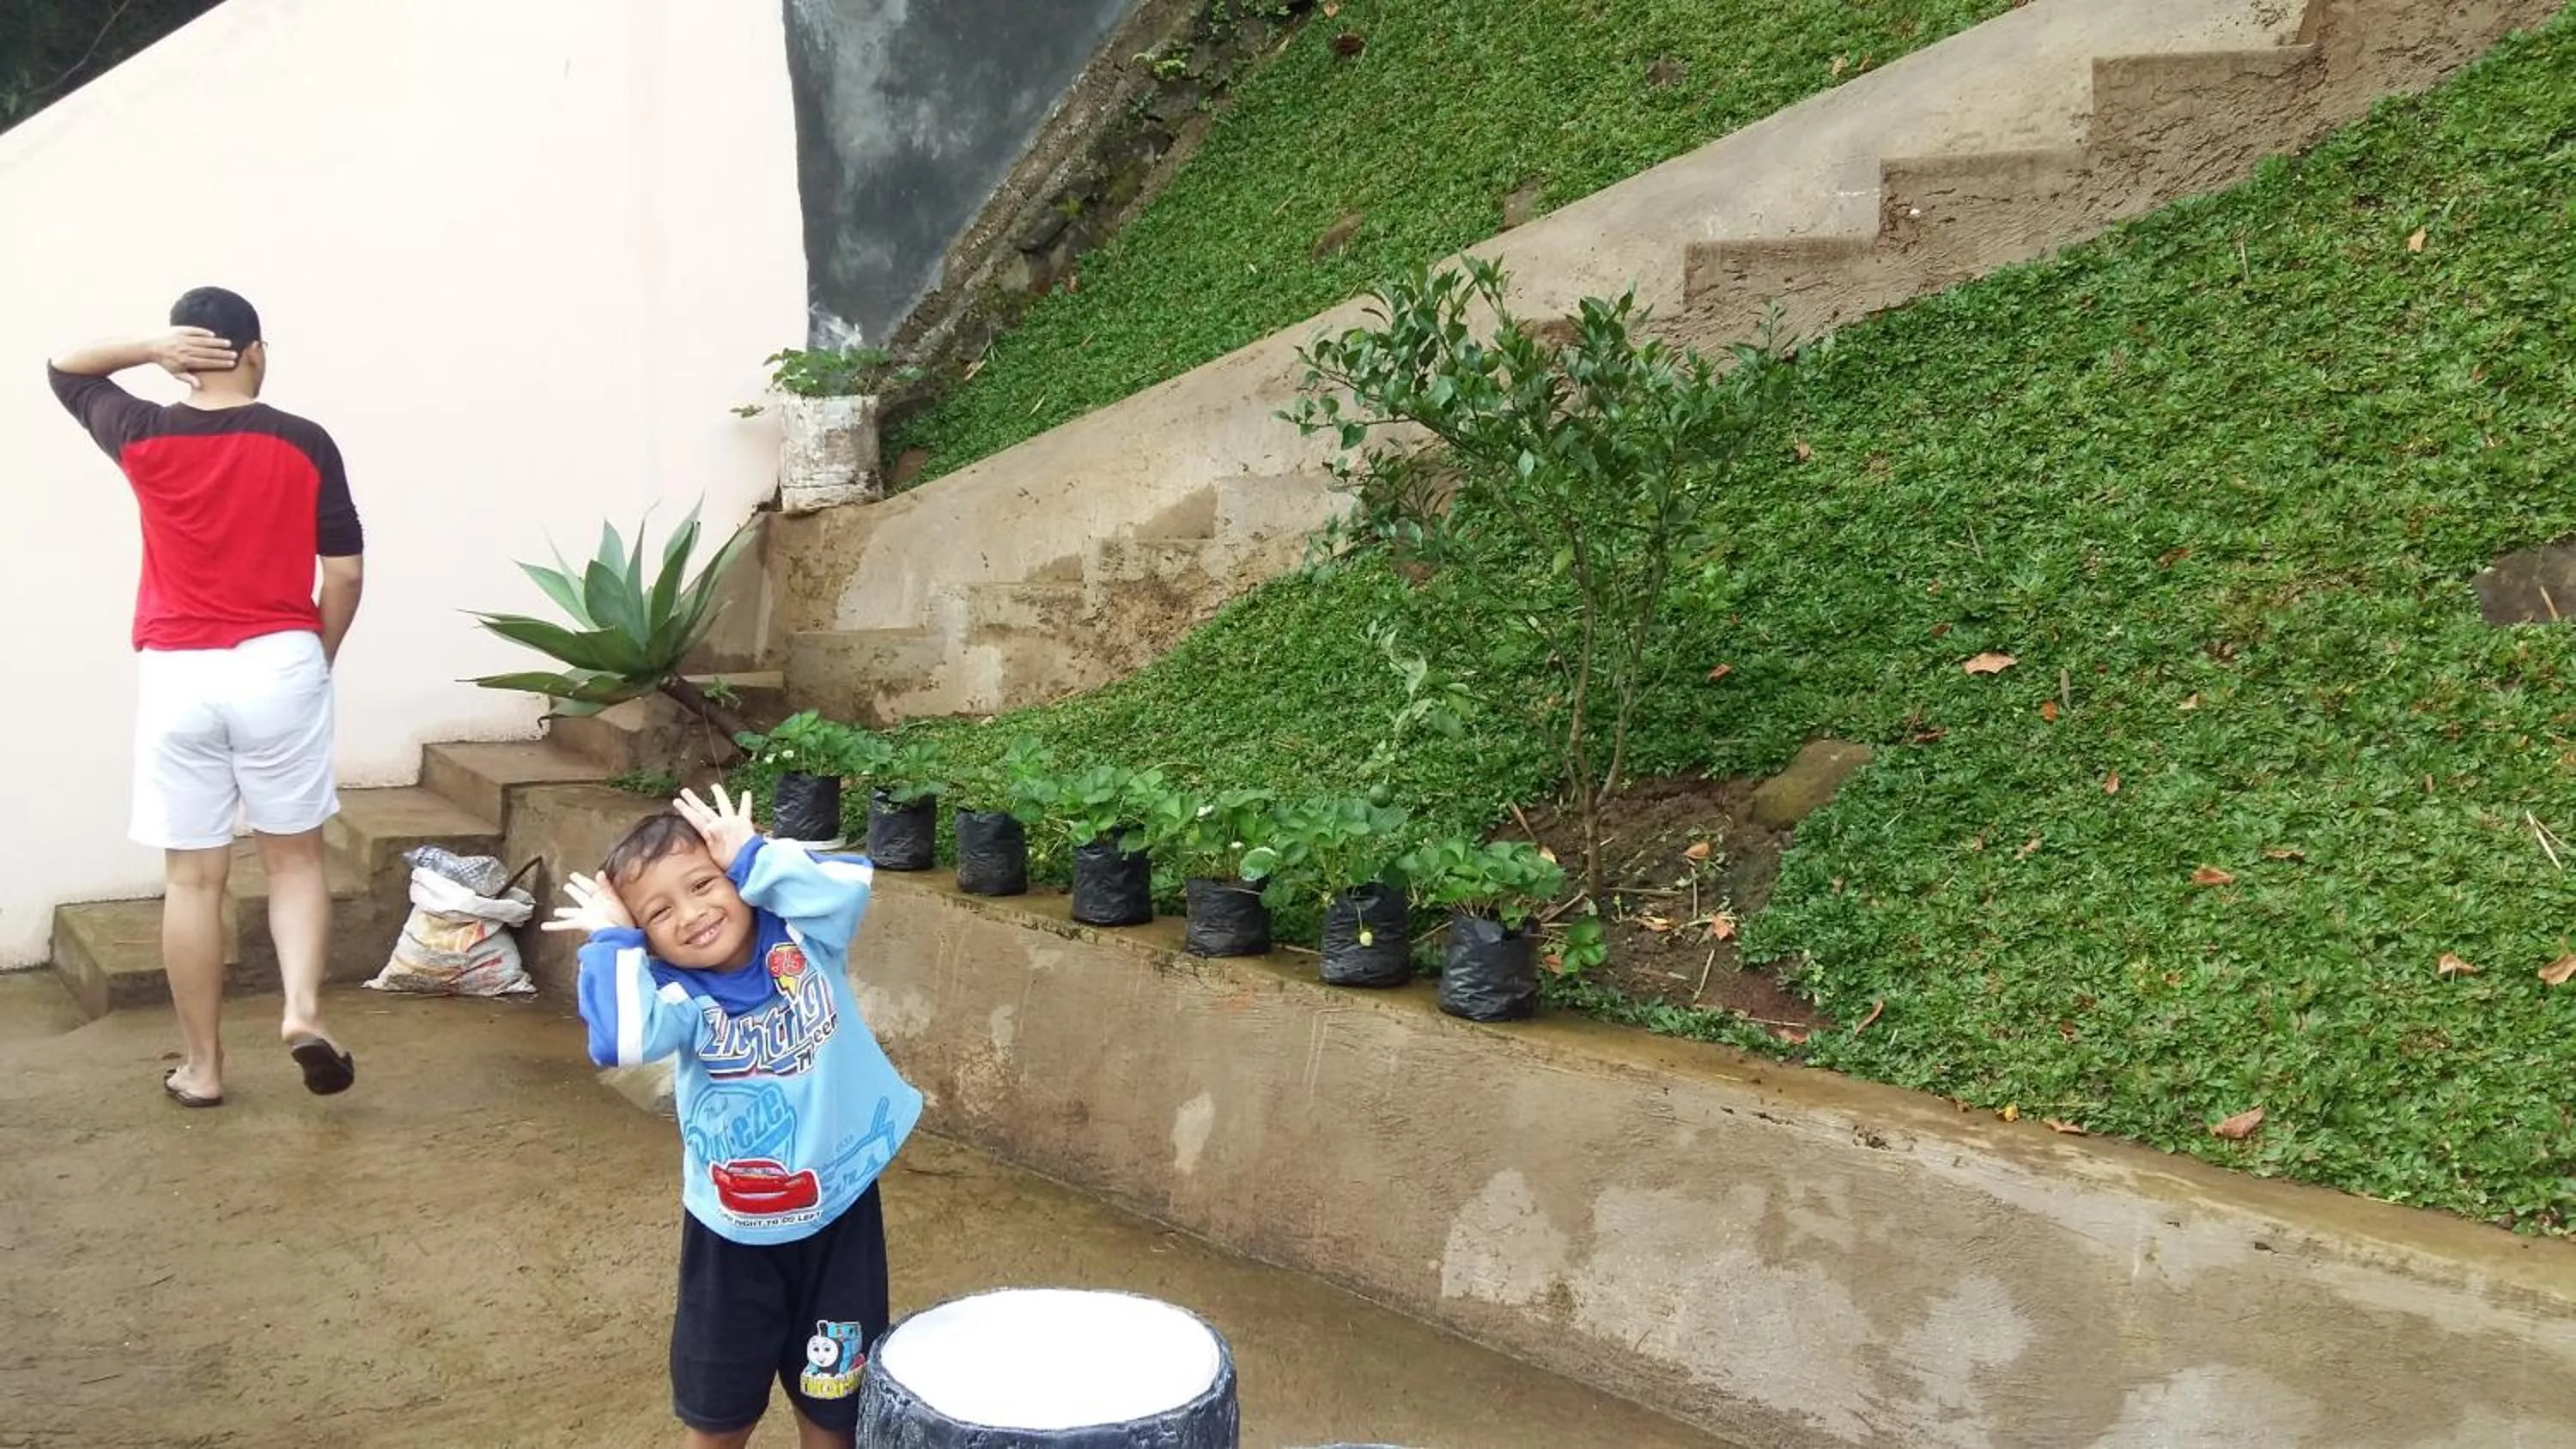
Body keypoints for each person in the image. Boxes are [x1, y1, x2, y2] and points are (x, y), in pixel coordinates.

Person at [48, 287, 364, 1107]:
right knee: (293, 858)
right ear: (256, 350)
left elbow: (65, 367)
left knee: (193, 879)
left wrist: (149, 347)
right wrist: (315, 654)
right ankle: (300, 1010)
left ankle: (203, 1067)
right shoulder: (305, 441)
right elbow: (346, 571)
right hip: (280, 661)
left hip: (179, 671)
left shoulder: (141, 432)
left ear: (190, 355)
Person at [547, 784, 922, 1449]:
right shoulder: (678, 995)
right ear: (648, 941)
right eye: (659, 913)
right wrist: (612, 942)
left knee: (836, 1413)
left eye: (704, 884)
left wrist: (751, 854)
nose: (691, 914)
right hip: (733, 1237)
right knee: (719, 1421)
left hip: (839, 1218)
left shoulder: (806, 936)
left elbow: (850, 884)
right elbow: (620, 1041)